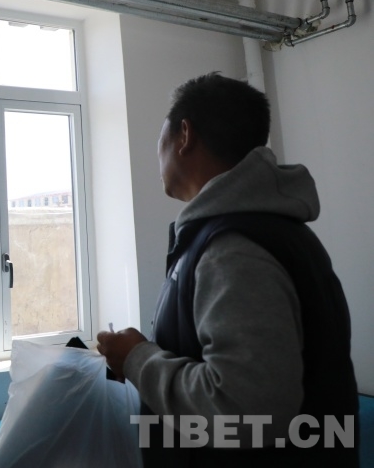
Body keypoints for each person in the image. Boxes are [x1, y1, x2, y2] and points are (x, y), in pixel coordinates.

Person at [96, 73, 358, 467]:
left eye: (161, 135)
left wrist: (137, 358)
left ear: (184, 135)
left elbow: (245, 411)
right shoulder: (255, 231)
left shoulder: (233, 249)